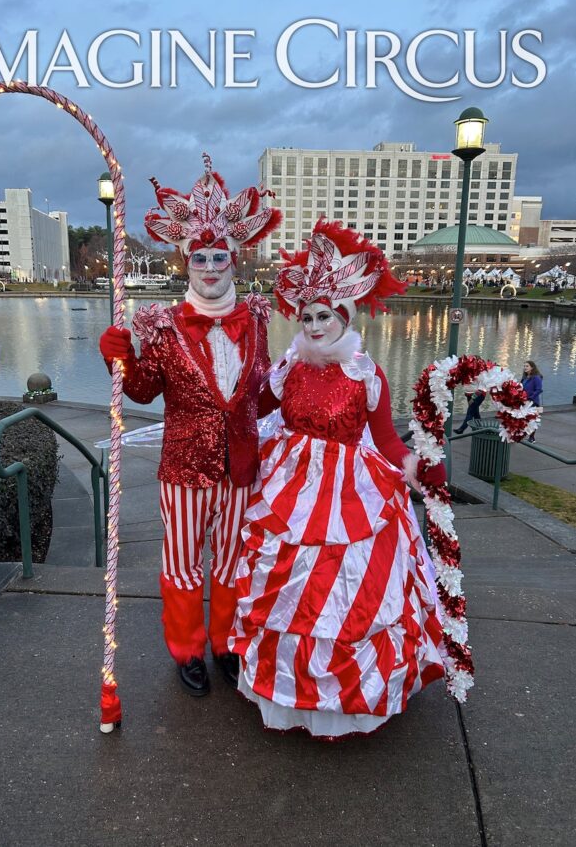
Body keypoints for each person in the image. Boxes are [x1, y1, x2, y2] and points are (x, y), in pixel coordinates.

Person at [228, 219, 448, 738]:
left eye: (324, 315)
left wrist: (417, 467)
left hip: (352, 490)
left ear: (344, 317)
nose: (313, 325)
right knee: (289, 592)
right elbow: (251, 404)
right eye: (306, 316)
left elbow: (388, 442)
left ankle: (346, 703)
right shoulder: (290, 368)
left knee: (349, 591)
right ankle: (288, 699)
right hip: (290, 487)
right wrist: (249, 358)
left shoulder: (366, 374)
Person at [99, 154, 280, 696]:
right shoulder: (162, 323)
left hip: (241, 466)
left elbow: (261, 393)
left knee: (230, 560)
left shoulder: (256, 320)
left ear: (234, 259)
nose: (208, 265)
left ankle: (224, 642)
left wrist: (308, 380)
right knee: (182, 565)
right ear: (185, 259)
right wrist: (119, 358)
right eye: (198, 255)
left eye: (218, 255)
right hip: (183, 468)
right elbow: (143, 390)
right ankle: (186, 648)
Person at [521, 360, 543, 442]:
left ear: (532, 367)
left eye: (527, 366)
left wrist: (530, 398)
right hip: (524, 401)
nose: (525, 368)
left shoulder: (536, 377)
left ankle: (532, 438)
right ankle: (520, 435)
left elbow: (539, 390)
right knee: (522, 419)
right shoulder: (525, 377)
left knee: (532, 420)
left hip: (533, 402)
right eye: (524, 366)